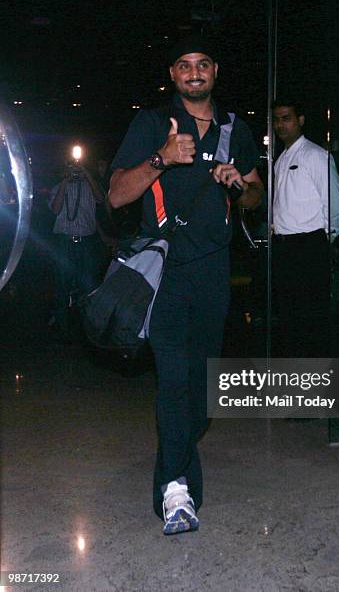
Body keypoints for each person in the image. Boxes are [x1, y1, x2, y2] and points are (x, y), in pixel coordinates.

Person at [108, 35, 263, 534]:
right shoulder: (153, 123)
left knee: (200, 389)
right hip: (167, 270)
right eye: (183, 65)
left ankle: (177, 451)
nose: (194, 72)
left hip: (215, 273)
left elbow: (257, 198)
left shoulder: (237, 128)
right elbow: (115, 196)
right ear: (173, 75)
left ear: (215, 71)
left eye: (202, 65)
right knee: (173, 380)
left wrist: (241, 185)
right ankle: (175, 489)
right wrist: (162, 158)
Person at [271, 99, 339, 357]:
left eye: (286, 117)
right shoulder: (280, 159)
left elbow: (334, 201)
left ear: (300, 120)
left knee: (311, 318)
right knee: (290, 316)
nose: (280, 124)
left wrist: (327, 241)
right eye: (277, 119)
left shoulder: (315, 155)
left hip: (309, 245)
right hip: (285, 247)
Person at [49, 160, 106, 339]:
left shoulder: (89, 187)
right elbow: (55, 209)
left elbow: (101, 198)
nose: (74, 171)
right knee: (62, 286)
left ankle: (87, 332)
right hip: (63, 242)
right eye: (71, 168)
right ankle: (63, 330)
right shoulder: (58, 187)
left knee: (88, 285)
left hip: (86, 243)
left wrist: (87, 173)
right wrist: (66, 181)